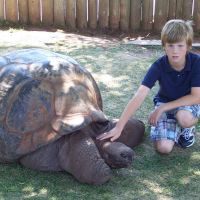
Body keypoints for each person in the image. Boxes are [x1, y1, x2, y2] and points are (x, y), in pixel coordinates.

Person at [97, 19, 200, 154]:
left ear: (188, 46)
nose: (175, 51)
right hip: (165, 102)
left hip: (187, 104)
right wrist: (119, 126)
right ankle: (170, 126)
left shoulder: (196, 62)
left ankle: (187, 129)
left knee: (184, 118)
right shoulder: (158, 66)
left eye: (180, 46)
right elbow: (140, 95)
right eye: (170, 45)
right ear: (164, 45)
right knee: (164, 149)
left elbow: (196, 97)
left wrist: (163, 107)